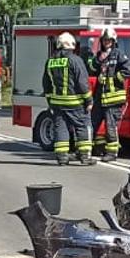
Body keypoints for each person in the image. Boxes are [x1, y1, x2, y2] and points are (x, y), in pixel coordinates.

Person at [43, 32, 91, 165]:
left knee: (61, 128)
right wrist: (88, 100)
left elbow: (46, 84)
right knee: (82, 126)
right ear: (71, 44)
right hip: (75, 103)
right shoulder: (75, 60)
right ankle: (84, 157)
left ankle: (62, 157)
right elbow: (82, 82)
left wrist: (50, 102)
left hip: (57, 103)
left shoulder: (50, 61)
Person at [90, 26, 130, 160]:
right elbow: (92, 68)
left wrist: (113, 78)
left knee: (110, 126)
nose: (106, 42)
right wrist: (96, 59)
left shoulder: (118, 54)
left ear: (113, 41)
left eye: (109, 40)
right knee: (92, 124)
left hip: (113, 99)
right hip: (99, 98)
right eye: (104, 40)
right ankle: (91, 149)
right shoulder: (100, 55)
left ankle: (112, 153)